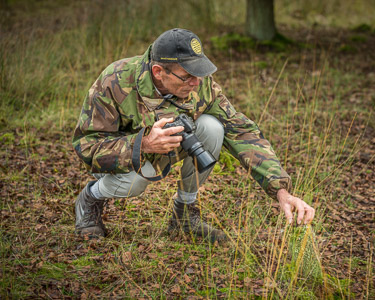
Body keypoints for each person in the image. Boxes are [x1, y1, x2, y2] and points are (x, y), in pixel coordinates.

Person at [72, 28, 315, 243]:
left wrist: (281, 191)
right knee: (137, 181)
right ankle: (91, 198)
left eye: (199, 73)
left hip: (165, 149)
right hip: (119, 159)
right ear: (158, 71)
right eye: (187, 75)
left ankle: (185, 214)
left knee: (213, 127)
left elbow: (240, 130)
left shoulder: (200, 84)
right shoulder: (115, 80)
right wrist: (143, 144)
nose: (196, 83)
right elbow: (86, 145)